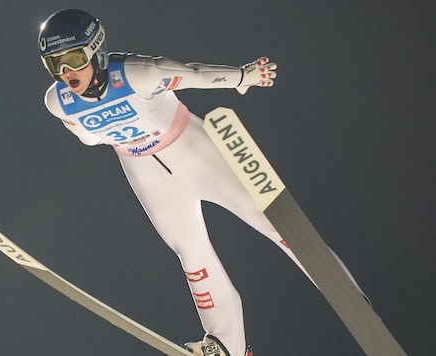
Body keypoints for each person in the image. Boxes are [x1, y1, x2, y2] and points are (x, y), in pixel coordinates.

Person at [38, 9, 363, 356]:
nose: (65, 73)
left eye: (72, 59)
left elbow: (192, 74)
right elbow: (88, 138)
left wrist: (241, 77)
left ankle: (347, 296)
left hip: (191, 149)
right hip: (144, 171)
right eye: (53, 64)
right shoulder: (57, 102)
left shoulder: (137, 74)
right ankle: (225, 343)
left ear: (96, 49)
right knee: (189, 251)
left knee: (270, 220)